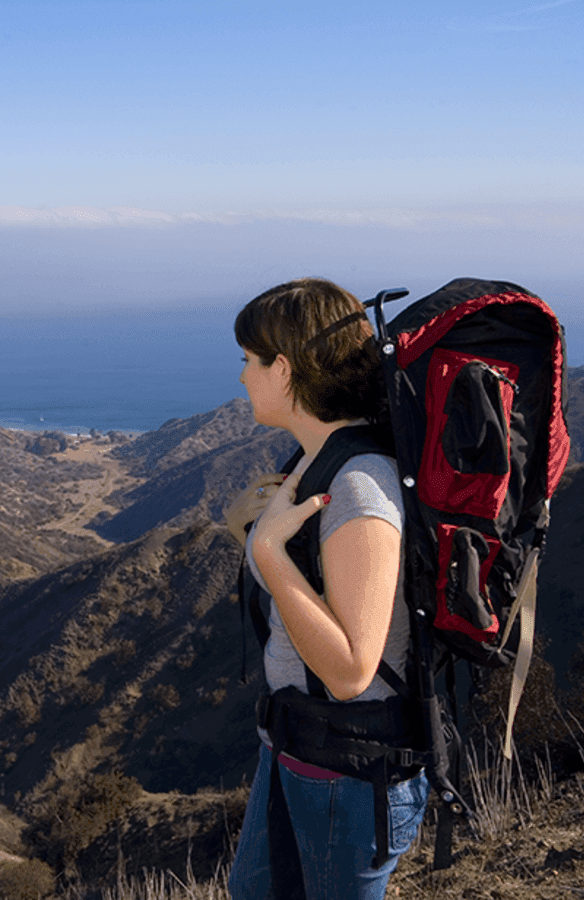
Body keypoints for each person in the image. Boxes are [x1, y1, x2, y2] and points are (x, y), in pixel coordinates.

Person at [222, 278, 427, 900]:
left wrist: (266, 553)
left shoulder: (359, 486)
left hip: (348, 769)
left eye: (249, 361)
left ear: (283, 368)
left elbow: (351, 671)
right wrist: (257, 539)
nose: (241, 377)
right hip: (297, 746)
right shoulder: (313, 460)